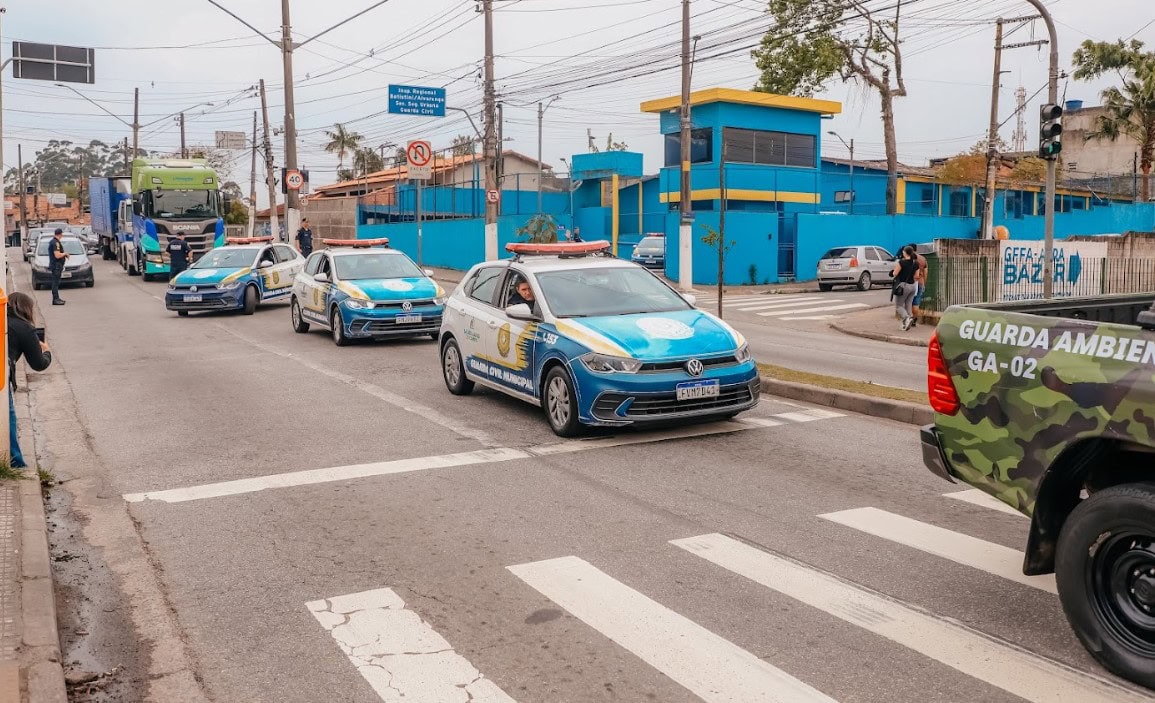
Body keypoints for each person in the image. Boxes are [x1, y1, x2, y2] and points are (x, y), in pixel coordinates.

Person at [7, 292, 52, 468]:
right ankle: (16, 463)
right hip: (2, 379)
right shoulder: (24, 327)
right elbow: (38, 364)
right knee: (8, 417)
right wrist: (46, 351)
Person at [892, 246, 919, 331]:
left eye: (903, 251)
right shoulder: (915, 263)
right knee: (908, 305)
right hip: (913, 286)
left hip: (904, 286)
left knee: (899, 306)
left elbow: (895, 273)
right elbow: (917, 276)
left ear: (905, 252)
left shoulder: (901, 262)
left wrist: (894, 272)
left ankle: (906, 318)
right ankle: (908, 321)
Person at [908, 242, 928, 326]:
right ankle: (914, 319)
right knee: (916, 302)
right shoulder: (923, 259)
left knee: (907, 301)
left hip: (910, 282)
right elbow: (926, 272)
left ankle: (908, 319)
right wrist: (924, 283)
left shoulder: (908, 258)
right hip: (920, 282)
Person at [48, 228, 68, 306]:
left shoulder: (53, 242)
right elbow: (57, 255)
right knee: (55, 283)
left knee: (56, 282)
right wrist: (65, 254)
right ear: (60, 234)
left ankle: (57, 298)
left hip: (56, 265)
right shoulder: (55, 243)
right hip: (56, 266)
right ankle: (55, 299)